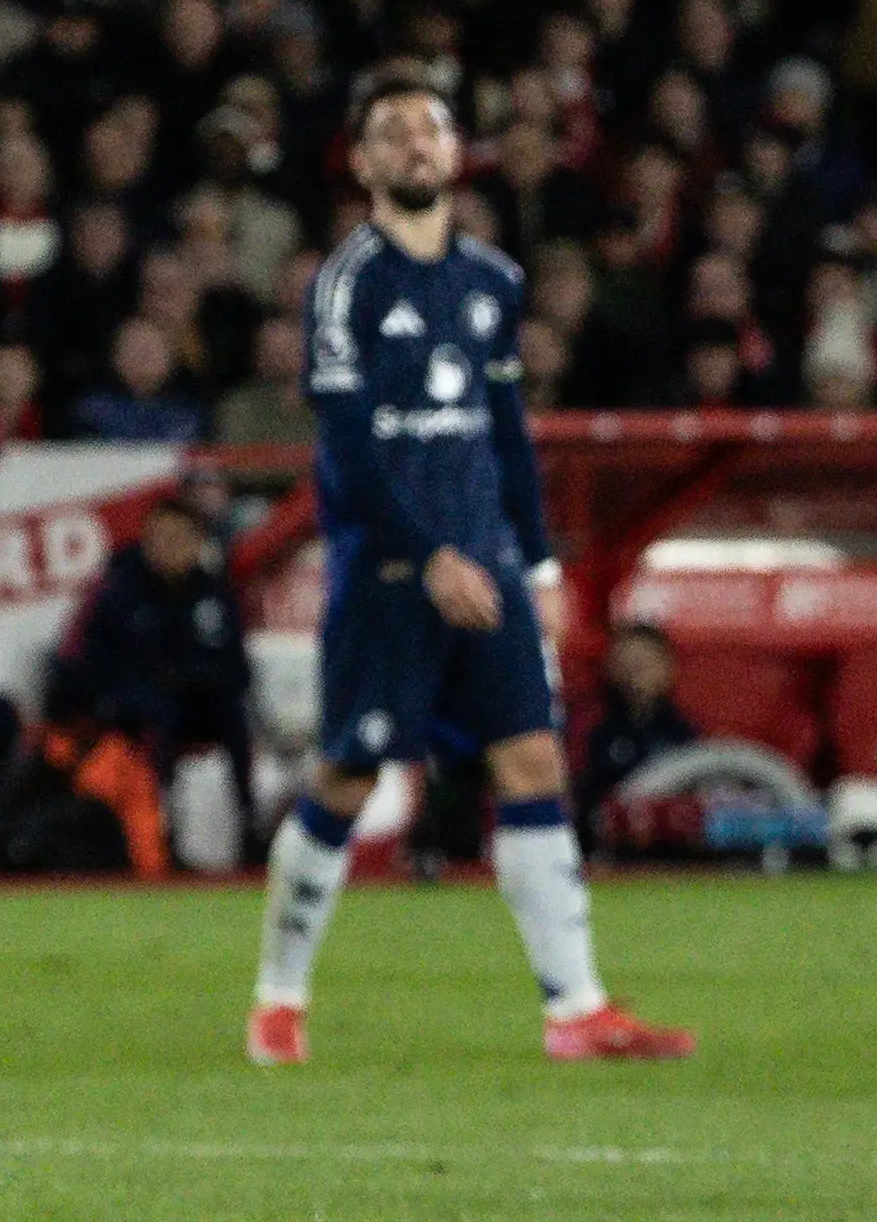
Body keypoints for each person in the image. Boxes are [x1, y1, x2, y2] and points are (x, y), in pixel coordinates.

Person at [247, 68, 692, 1068]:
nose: (414, 144)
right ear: (361, 162)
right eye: (392, 131)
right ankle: (278, 997)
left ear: (455, 155)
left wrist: (535, 561)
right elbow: (349, 455)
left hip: (485, 570)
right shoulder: (347, 283)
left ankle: (575, 1010)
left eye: (430, 129)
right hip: (389, 577)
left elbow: (505, 431)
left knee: (532, 762)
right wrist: (428, 554)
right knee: (350, 772)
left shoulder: (491, 279)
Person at [54, 495, 255, 822]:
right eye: (161, 538)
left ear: (198, 544)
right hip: (130, 701)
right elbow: (86, 661)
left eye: (180, 538)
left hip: (193, 697)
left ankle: (246, 820)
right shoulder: (116, 591)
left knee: (231, 712)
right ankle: (156, 822)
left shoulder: (213, 594)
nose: (169, 548)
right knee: (158, 715)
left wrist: (204, 679)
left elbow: (236, 665)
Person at [575, 621, 698, 821]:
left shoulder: (683, 734)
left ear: (667, 668)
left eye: (642, 666)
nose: (633, 678)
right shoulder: (595, 732)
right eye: (625, 666)